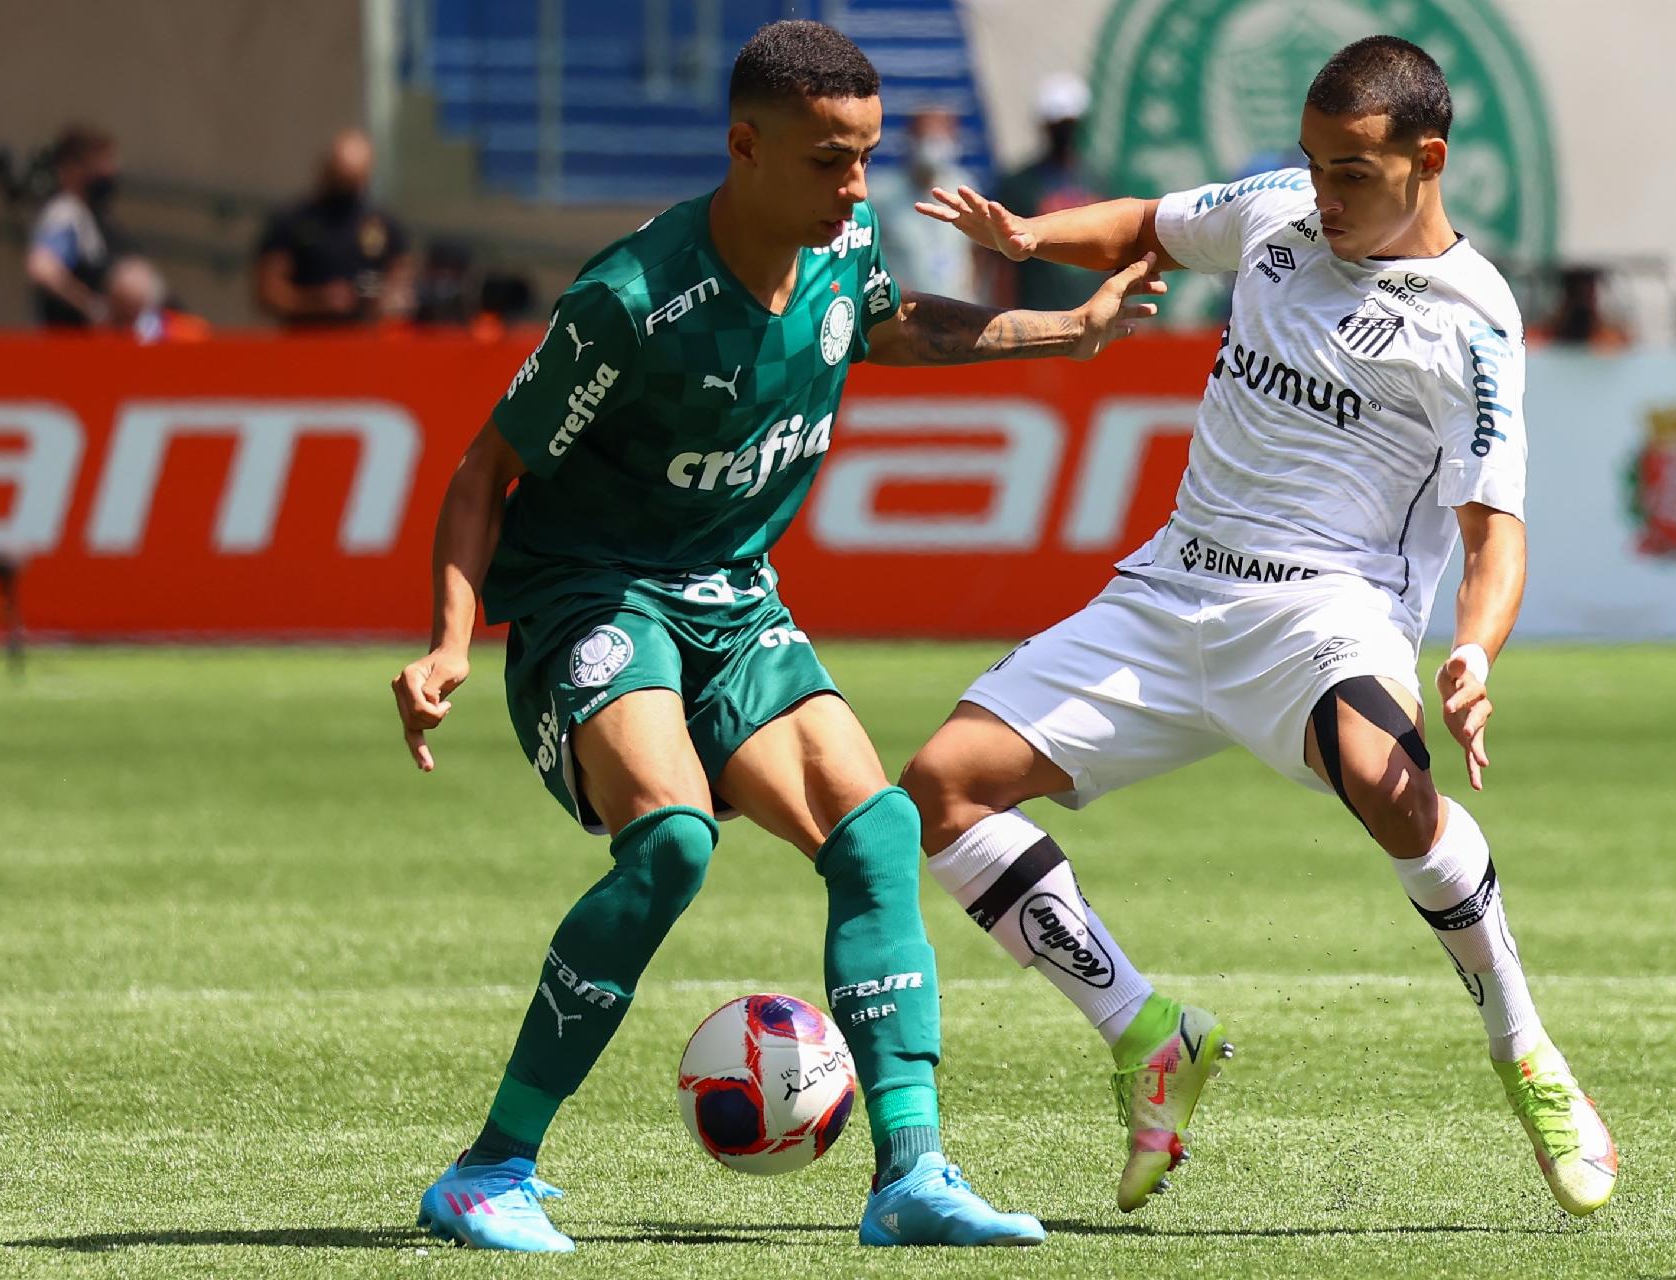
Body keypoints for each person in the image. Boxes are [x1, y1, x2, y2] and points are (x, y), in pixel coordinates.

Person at [388, 19, 1159, 1254]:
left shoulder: (843, 242)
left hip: (734, 596)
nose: (857, 187)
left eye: (863, 157)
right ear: (745, 146)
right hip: (599, 594)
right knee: (673, 847)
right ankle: (489, 1168)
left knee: (878, 830)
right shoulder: (630, 301)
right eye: (827, 160)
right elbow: (485, 469)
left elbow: (894, 322)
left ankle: (910, 1173)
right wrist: (448, 642)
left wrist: (1070, 330)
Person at [904, 35, 1617, 1219]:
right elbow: (1143, 219)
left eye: (1352, 171)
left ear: (1426, 159)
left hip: (1325, 611)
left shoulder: (1473, 323)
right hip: (1169, 587)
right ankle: (1147, 1032)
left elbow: (1495, 531)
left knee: (1393, 788)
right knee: (939, 787)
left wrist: (1475, 648)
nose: (1324, 194)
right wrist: (1030, 241)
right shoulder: (1280, 214)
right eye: (1313, 163)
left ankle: (1528, 1051)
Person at [254, 129, 412, 327]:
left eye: (353, 180)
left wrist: (377, 300)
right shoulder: (293, 221)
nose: (345, 189)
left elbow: (399, 283)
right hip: (306, 340)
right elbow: (268, 289)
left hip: (367, 341)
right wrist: (314, 301)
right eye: (340, 177)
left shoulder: (384, 226)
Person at [991, 72, 1109, 311]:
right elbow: (1004, 266)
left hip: (1090, 316)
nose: (1064, 133)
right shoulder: (1018, 185)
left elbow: (1113, 255)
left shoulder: (1097, 182)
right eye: (1059, 125)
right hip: (1036, 316)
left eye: (1069, 125)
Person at [870, 107, 981, 299]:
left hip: (959, 313)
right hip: (903, 315)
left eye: (941, 136)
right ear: (910, 138)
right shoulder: (880, 194)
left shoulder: (965, 187)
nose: (934, 145)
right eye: (927, 136)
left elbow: (976, 252)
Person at [26, 124, 120, 327]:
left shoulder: (88, 216)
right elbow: (42, 268)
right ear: (70, 168)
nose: (109, 172)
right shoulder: (66, 212)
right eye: (99, 164)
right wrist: (93, 307)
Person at [104, 255, 209, 343]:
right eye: (119, 309)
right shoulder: (103, 334)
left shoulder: (189, 332)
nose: (127, 322)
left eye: (132, 308)